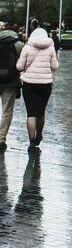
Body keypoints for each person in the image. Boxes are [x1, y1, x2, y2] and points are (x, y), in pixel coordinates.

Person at [16, 26, 59, 154]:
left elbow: (19, 67)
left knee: (31, 114)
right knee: (41, 112)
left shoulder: (27, 47)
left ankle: (31, 142)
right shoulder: (50, 47)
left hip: (29, 84)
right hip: (45, 84)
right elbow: (55, 66)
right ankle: (39, 134)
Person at [0, 22, 25, 151]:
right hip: (11, 82)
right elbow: (22, 66)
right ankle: (1, 138)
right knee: (7, 111)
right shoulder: (20, 45)